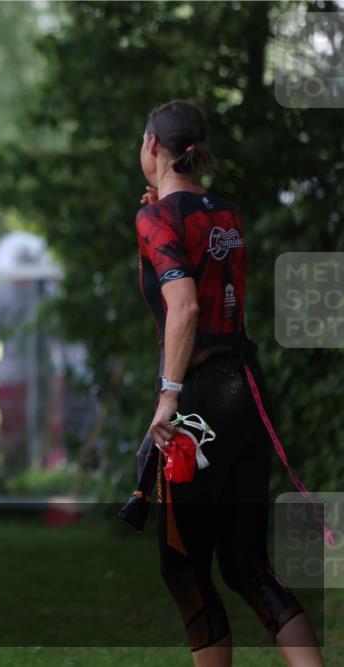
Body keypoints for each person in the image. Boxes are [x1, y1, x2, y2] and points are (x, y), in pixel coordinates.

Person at [134, 100, 323, 666]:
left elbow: (184, 307)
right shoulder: (228, 214)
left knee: (183, 566)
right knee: (246, 563)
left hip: (199, 400)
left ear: (152, 147)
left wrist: (169, 395)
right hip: (248, 389)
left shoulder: (154, 219)